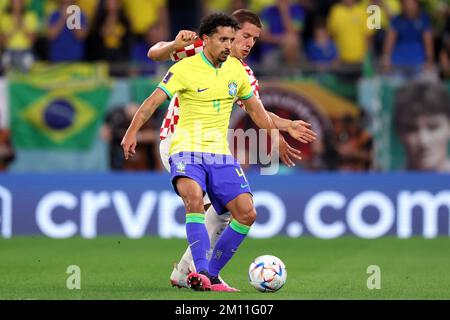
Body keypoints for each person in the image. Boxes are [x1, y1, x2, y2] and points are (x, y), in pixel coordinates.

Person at [121, 13, 304, 292]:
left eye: (254, 39)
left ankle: (188, 271)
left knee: (224, 214)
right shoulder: (195, 49)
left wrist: (284, 126)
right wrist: (173, 44)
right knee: (204, 205)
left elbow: (257, 110)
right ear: (224, 34)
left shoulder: (242, 73)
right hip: (177, 139)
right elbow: (153, 53)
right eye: (244, 36)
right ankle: (201, 272)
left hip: (215, 148)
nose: (248, 43)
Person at [394, 82, 450, 172]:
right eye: (411, 129)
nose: (423, 141)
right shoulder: (390, 185)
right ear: (398, 131)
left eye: (433, 127)